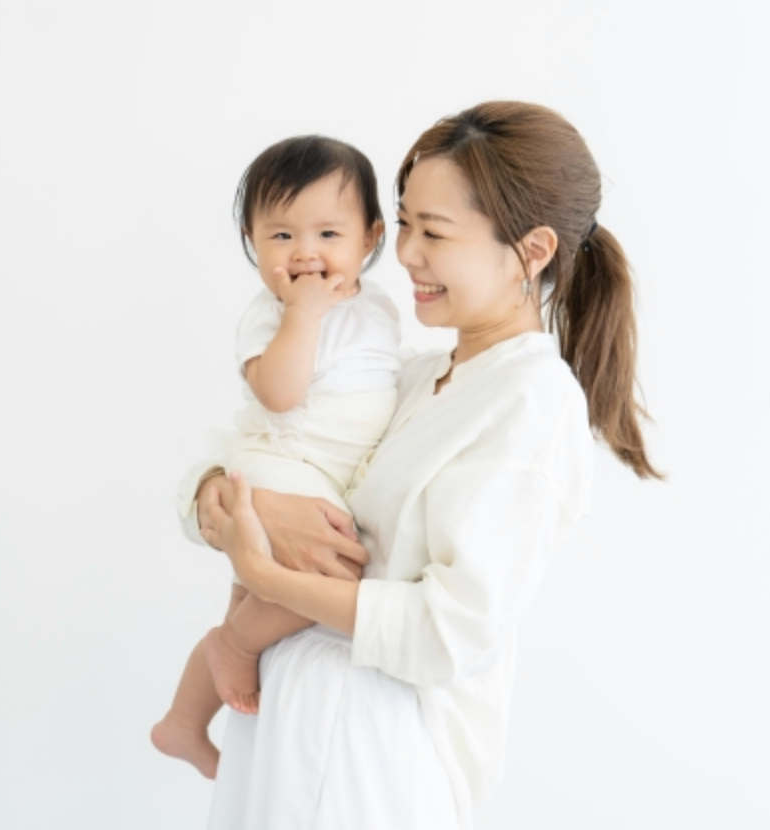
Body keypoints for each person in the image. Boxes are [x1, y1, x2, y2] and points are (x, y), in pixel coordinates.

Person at [186, 101, 662, 829]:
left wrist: (264, 578)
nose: (405, 253)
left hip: (366, 752)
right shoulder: (412, 379)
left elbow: (448, 632)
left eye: (433, 232)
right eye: (404, 222)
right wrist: (224, 496)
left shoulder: (529, 403)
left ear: (532, 251)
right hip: (287, 722)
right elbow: (268, 448)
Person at [150, 135, 401, 780]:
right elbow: (280, 394)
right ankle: (231, 648)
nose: (305, 253)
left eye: (328, 233)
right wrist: (303, 315)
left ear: (371, 237)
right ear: (252, 241)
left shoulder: (377, 307)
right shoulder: (272, 314)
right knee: (335, 575)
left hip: (322, 478)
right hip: (282, 465)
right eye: (281, 236)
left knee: (252, 602)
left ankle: (182, 722)